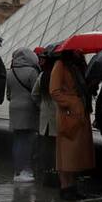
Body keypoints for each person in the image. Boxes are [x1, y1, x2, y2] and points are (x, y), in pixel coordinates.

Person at [50, 49, 95, 199]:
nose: (80, 51)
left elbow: (84, 87)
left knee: (76, 153)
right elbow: (54, 91)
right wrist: (72, 103)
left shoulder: (79, 65)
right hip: (68, 114)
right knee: (66, 152)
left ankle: (72, 187)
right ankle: (65, 187)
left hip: (80, 113)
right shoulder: (60, 65)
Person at [6, 48, 41, 182]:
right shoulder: (32, 72)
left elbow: (8, 95)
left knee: (17, 140)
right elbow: (35, 93)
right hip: (28, 110)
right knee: (27, 141)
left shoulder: (10, 72)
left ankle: (17, 170)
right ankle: (25, 170)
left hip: (14, 108)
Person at [36, 49, 59, 188]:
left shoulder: (43, 75)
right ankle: (55, 175)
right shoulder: (57, 75)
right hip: (56, 116)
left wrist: (42, 106)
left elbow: (34, 94)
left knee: (46, 148)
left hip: (45, 117)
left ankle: (46, 175)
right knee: (56, 148)